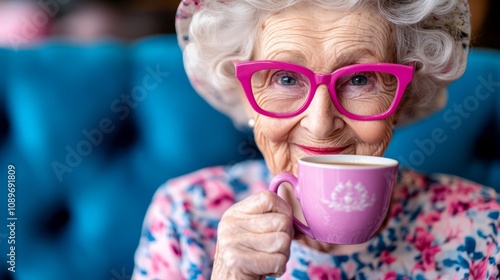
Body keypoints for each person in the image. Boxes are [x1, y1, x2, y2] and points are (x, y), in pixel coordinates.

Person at [132, 0, 500, 278]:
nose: (320, 124)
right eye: (285, 79)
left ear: (400, 99)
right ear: (246, 97)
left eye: (360, 80)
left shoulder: (485, 227)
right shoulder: (184, 216)